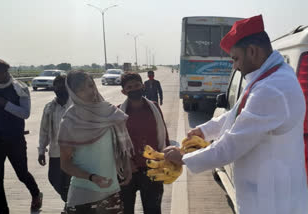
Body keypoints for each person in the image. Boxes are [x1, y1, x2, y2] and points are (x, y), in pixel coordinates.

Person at [163, 15, 308, 214]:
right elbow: (236, 114)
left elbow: (229, 147)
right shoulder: (269, 77)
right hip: (265, 191)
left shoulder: (272, 88)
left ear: (252, 51)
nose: (234, 66)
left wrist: (183, 158)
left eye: (235, 58)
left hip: (272, 201)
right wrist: (204, 131)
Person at [58, 70, 133, 214]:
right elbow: (65, 164)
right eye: (81, 89)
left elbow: (120, 146)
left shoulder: (110, 112)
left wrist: (126, 165)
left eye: (91, 86)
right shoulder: (70, 121)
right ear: (73, 93)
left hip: (112, 193)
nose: (89, 92)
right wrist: (92, 177)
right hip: (84, 196)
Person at [0, 59, 43, 213]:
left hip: (15, 140)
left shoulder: (21, 88)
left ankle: (36, 193)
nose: (4, 75)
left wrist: (1, 101)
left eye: (5, 71)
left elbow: (24, 113)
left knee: (22, 174)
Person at [119, 72, 170, 214]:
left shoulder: (153, 107)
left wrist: (164, 160)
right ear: (124, 91)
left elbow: (163, 135)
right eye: (129, 87)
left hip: (152, 169)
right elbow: (115, 144)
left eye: (137, 85)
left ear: (143, 86)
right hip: (128, 171)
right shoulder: (118, 112)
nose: (134, 89)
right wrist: (126, 162)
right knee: (125, 210)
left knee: (153, 210)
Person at [38, 74, 71, 213]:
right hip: (56, 152)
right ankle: (68, 201)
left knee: (71, 182)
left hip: (75, 153)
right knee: (54, 179)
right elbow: (44, 130)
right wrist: (41, 151)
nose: (59, 88)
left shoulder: (77, 105)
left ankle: (70, 205)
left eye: (63, 85)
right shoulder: (50, 107)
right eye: (57, 85)